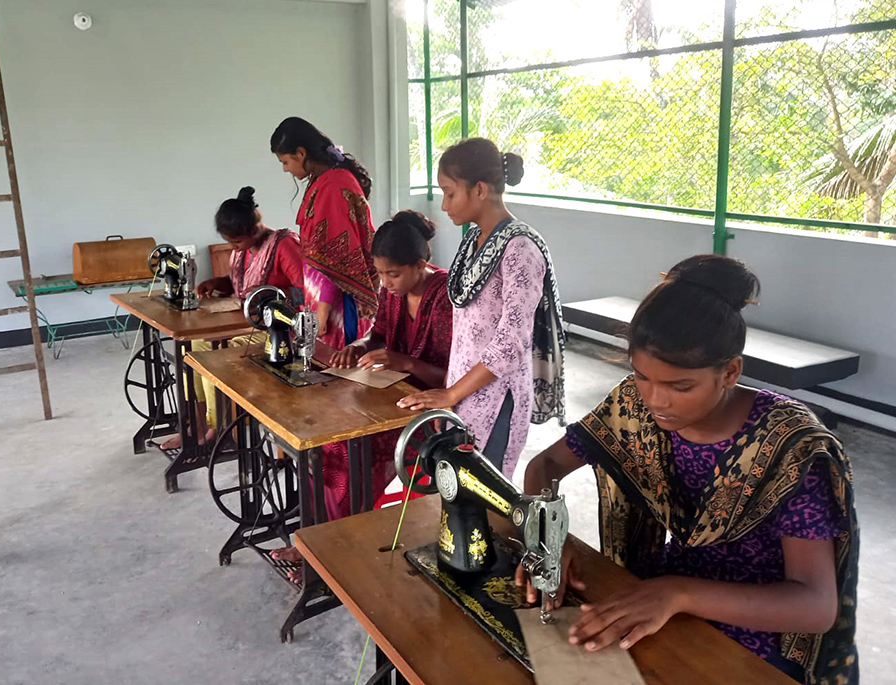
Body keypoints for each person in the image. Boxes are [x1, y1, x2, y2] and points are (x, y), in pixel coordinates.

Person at [519, 255, 859, 685]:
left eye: (681, 387)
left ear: (730, 372)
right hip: (662, 594)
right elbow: (546, 464)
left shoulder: (791, 448)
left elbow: (815, 606)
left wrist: (678, 592)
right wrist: (548, 534)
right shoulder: (634, 406)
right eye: (642, 377)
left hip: (755, 625)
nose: (657, 401)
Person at [270, 210, 454, 581]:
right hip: (388, 394)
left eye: (393, 274)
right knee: (321, 441)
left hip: (426, 411)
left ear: (421, 265)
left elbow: (455, 375)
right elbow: (379, 333)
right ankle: (317, 542)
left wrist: (404, 361)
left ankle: (336, 553)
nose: (385, 283)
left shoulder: (446, 296)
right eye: (381, 274)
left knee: (342, 449)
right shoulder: (393, 292)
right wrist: (358, 345)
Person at [398, 138, 566, 479]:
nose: (444, 206)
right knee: (457, 488)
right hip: (463, 390)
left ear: (479, 190)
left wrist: (451, 393)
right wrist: (451, 392)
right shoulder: (474, 242)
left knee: (484, 493)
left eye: (449, 192)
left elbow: (510, 344)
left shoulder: (520, 248)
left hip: (495, 397)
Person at [159, 187, 303, 451]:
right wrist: (218, 283)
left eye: (236, 242)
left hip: (274, 330)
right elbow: (240, 282)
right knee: (194, 347)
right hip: (242, 321)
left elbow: (305, 289)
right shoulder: (242, 250)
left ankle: (220, 426)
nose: (234, 248)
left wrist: (268, 301)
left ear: (254, 229)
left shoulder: (285, 245)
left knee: (218, 354)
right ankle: (197, 423)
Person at [270, 117, 379, 349]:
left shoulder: (333, 186)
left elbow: (336, 257)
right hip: (323, 297)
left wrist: (322, 311)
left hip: (337, 304)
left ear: (301, 153)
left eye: (286, 161)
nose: (285, 169)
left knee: (337, 371)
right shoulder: (324, 180)